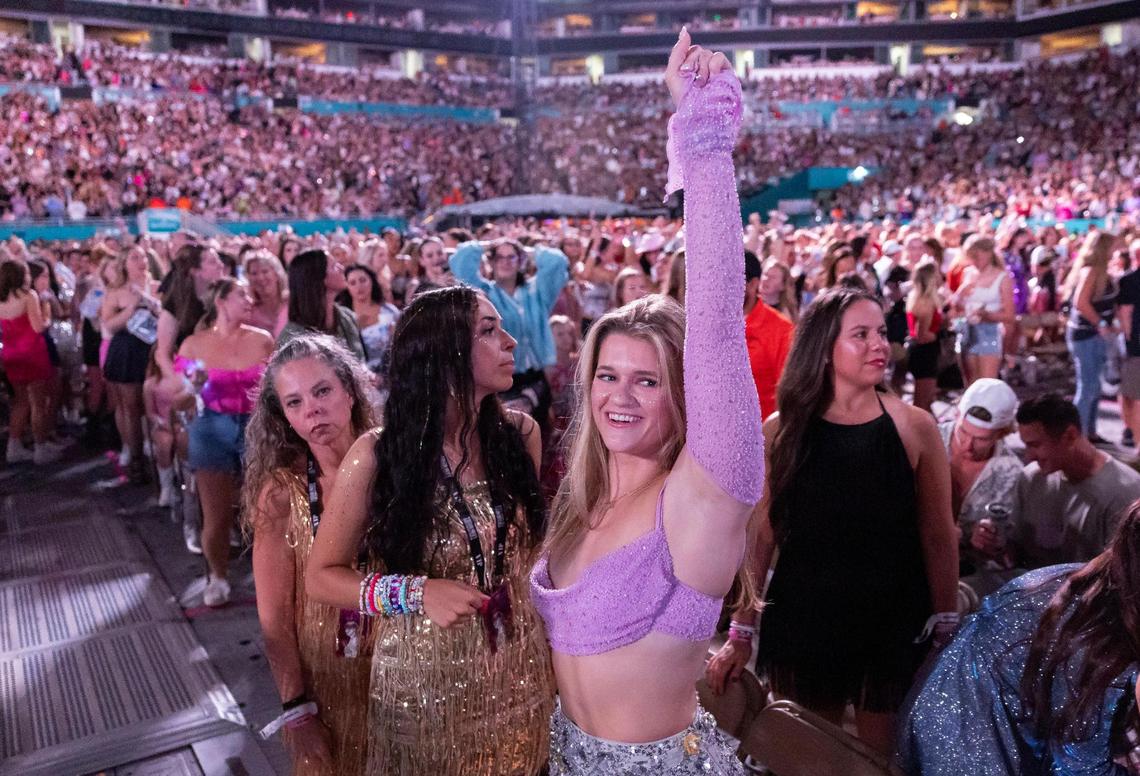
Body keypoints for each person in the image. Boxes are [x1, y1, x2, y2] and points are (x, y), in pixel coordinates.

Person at [529, 36, 763, 774]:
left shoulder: (703, 494)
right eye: (607, 374)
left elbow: (720, 324)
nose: (619, 396)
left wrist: (704, 137)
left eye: (648, 379)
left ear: (683, 392)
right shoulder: (582, 496)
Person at [306, 286, 554, 776]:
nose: (510, 342)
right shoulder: (377, 456)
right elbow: (321, 577)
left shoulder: (521, 434)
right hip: (424, 686)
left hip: (518, 668)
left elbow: (528, 554)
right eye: (488, 330)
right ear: (444, 354)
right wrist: (416, 593)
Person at [709, 283, 959, 756]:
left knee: (883, 755)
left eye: (882, 333)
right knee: (809, 751)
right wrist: (741, 632)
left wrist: (946, 623)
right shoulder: (780, 431)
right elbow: (761, 536)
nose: (879, 345)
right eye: (860, 334)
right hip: (805, 615)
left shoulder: (915, 427)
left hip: (890, 618)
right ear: (824, 348)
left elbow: (938, 535)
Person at [900, 501, 1140, 775]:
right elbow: (1081, 766)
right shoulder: (1098, 642)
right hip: (964, 742)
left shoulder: (1097, 584)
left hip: (981, 721)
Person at [241, 334, 379, 775]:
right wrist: (297, 710)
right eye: (295, 402)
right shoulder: (282, 494)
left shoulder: (399, 466)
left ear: (350, 391)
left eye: (322, 391)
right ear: (282, 416)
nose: (312, 410)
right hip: (328, 690)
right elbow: (274, 615)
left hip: (409, 674)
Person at [176, 278, 274, 606]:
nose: (250, 299)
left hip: (256, 427)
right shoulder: (193, 345)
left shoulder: (263, 341)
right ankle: (217, 577)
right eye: (241, 294)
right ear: (221, 301)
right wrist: (192, 387)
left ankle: (270, 578)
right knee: (216, 514)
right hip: (211, 427)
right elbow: (176, 400)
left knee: (266, 511)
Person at [975, 394, 1140, 571]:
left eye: (1035, 445)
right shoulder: (1031, 478)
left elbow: (1125, 578)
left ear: (1069, 435)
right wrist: (995, 544)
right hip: (1029, 588)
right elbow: (1014, 555)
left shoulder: (1125, 493)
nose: (1029, 456)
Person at [450, 236, 569, 426]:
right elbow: (459, 261)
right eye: (500, 257)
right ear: (492, 261)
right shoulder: (483, 294)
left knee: (537, 433)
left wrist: (528, 250)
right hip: (500, 375)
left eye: (511, 257)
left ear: (521, 261)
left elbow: (558, 261)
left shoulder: (537, 291)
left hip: (537, 376)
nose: (505, 262)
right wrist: (488, 244)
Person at [940, 379, 1023, 591]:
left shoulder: (1010, 471)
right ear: (957, 415)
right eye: (963, 432)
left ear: (1001, 433)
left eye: (981, 439)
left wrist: (992, 541)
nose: (967, 445)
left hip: (964, 573)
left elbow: (1007, 545)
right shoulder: (930, 439)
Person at [101, 248, 160, 481]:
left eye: (144, 257)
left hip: (155, 348)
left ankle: (157, 452)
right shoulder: (116, 292)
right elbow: (109, 325)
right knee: (131, 405)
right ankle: (136, 457)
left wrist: (152, 302)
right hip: (128, 349)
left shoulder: (158, 287)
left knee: (154, 404)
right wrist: (131, 307)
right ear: (124, 264)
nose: (141, 261)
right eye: (135, 257)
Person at [0, 260, 59, 464]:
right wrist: (48, 315)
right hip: (32, 352)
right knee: (38, 402)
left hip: (10, 354)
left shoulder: (2, 299)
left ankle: (13, 447)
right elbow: (38, 327)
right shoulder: (28, 296)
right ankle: (40, 449)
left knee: (20, 401)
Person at [1064, 231, 1119, 441]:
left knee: (1094, 386)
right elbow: (1081, 302)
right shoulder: (1092, 271)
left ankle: (1090, 431)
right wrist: (1101, 323)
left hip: (1094, 334)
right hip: (1085, 334)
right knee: (1087, 386)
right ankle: (1076, 435)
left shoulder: (1103, 272)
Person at [279, 249, 366, 364]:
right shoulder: (292, 336)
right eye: (334, 266)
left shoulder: (347, 317)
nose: (342, 268)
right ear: (319, 277)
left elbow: (360, 361)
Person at [156, 243, 227, 379]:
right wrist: (183, 385)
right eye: (213, 262)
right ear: (194, 271)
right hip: (189, 375)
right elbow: (163, 355)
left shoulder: (223, 297)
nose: (221, 265)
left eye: (219, 260)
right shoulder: (175, 305)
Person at [953, 235, 1015, 385]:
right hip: (967, 330)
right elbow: (956, 306)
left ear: (988, 253)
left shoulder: (1002, 277)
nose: (974, 261)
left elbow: (1010, 316)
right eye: (971, 257)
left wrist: (987, 315)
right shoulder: (968, 273)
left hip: (990, 332)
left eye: (977, 256)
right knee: (970, 384)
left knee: (987, 384)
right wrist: (960, 294)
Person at [744, 252, 794, 420]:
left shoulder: (781, 329)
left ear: (752, 285)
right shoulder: (707, 326)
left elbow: (789, 392)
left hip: (761, 437)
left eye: (729, 281)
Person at [338, 263, 400, 378]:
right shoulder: (343, 318)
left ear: (372, 281)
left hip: (393, 373)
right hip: (361, 376)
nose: (359, 286)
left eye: (363, 280)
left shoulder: (390, 311)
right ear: (346, 286)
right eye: (352, 283)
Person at [907, 260, 944, 413]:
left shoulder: (916, 297)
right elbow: (922, 335)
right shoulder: (926, 302)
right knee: (922, 403)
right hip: (925, 352)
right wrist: (939, 334)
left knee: (924, 402)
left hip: (922, 352)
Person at [1117, 238, 1140, 447]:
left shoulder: (1129, 280)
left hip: (1135, 346)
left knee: (1131, 394)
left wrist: (1128, 338)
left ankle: (1133, 435)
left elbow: (1125, 313)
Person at [243, 249, 288, 337]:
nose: (260, 278)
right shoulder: (248, 312)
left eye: (265, 271)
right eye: (254, 273)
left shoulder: (293, 304)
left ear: (276, 274)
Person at [759, 257, 799, 322]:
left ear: (783, 285)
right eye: (765, 274)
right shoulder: (749, 302)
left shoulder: (784, 315)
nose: (766, 279)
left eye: (773, 277)